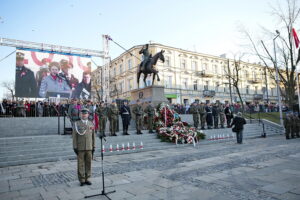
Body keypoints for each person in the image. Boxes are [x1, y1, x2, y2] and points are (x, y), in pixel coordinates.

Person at [72, 108, 95, 186]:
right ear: (80, 115)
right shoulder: (77, 124)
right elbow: (74, 136)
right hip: (80, 147)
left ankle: (87, 178)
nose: (84, 115)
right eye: (83, 114)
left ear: (88, 115)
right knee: (80, 164)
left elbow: (93, 136)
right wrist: (75, 146)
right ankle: (82, 179)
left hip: (89, 146)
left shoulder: (91, 124)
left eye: (85, 114)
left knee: (89, 163)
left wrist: (94, 146)